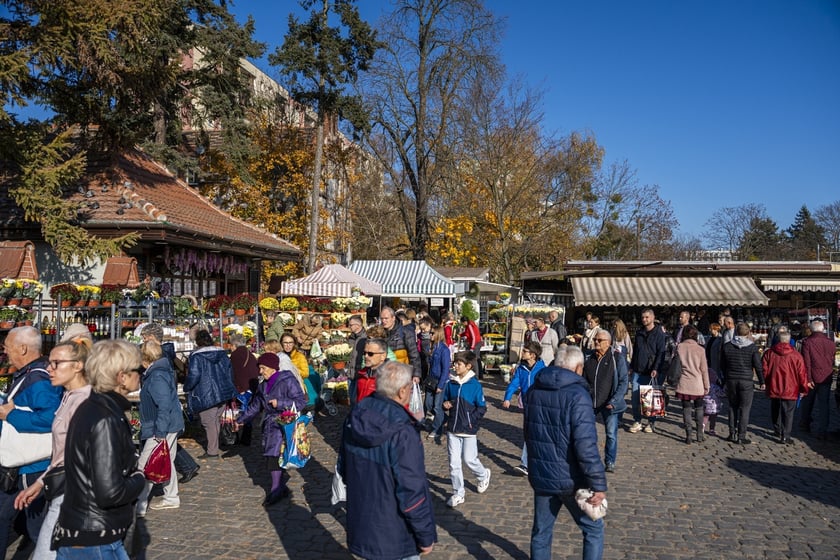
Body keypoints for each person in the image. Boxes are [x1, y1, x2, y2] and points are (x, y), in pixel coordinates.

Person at [51, 340, 146, 558]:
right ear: (121, 377)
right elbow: (110, 492)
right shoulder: (104, 417)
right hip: (94, 537)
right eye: (136, 370)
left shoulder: (94, 407)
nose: (140, 374)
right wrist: (140, 477)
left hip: (88, 531)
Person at [338, 361, 436, 559]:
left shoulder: (356, 415)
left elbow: (344, 468)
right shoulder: (403, 431)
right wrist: (425, 535)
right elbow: (411, 490)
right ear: (402, 392)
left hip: (363, 522)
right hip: (396, 534)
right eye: (409, 387)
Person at [523, 344, 606, 560]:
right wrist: (598, 483)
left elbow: (528, 433)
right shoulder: (578, 395)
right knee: (593, 530)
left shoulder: (534, 390)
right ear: (578, 368)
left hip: (542, 473)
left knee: (541, 532)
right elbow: (586, 444)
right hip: (571, 478)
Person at [13, 337, 92, 560]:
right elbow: (63, 454)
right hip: (63, 491)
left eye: (57, 363)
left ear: (78, 366)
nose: (49, 368)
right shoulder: (68, 396)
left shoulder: (87, 403)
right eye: (50, 362)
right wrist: (40, 483)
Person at [0, 326, 63, 555]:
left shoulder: (37, 378)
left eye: (7, 346)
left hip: (32, 466)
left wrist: (10, 414)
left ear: (23, 348)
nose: (5, 351)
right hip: (22, 464)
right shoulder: (29, 374)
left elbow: (51, 418)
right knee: (20, 522)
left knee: (38, 528)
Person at [236, 353, 307, 506]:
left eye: (263, 368)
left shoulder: (287, 381)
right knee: (272, 456)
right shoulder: (263, 386)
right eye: (260, 368)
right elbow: (256, 406)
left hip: (286, 424)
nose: (260, 372)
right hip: (270, 426)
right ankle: (280, 487)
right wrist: (241, 420)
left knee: (275, 457)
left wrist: (280, 403)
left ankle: (275, 490)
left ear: (273, 368)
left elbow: (301, 402)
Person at [139, 323, 199, 484]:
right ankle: (173, 489)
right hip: (166, 413)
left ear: (152, 337)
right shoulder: (164, 355)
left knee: (153, 454)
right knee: (167, 450)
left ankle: (142, 495)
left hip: (163, 415)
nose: (143, 340)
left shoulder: (160, 357)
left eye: (145, 337)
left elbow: (163, 402)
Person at [135, 340, 184, 515]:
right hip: (167, 424)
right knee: (165, 461)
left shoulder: (157, 375)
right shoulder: (161, 371)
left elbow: (163, 405)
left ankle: (139, 506)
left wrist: (160, 432)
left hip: (161, 426)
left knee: (145, 464)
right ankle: (171, 497)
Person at [442, 351, 491, 508]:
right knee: (454, 463)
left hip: (469, 430)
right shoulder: (451, 384)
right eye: (455, 363)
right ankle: (458, 493)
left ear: (468, 366)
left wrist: (471, 422)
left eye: (459, 364)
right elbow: (445, 401)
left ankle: (483, 475)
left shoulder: (475, 385)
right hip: (453, 430)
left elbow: (482, 408)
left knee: (470, 460)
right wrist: (446, 405)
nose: (455, 366)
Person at [183, 330, 236, 458]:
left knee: (208, 422)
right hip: (222, 391)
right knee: (215, 420)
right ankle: (214, 446)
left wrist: (187, 387)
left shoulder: (197, 357)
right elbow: (230, 372)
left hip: (206, 393)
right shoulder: (222, 354)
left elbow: (194, 375)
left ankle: (212, 450)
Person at [582, 332, 628, 471]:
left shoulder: (617, 358)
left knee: (611, 434)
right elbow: (582, 378)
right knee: (585, 432)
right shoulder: (588, 356)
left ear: (608, 342)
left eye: (599, 340)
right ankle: (586, 459)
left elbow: (623, 381)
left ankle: (610, 461)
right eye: (595, 339)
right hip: (590, 401)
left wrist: (614, 400)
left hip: (609, 402)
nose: (596, 342)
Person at [503, 340, 546, 475]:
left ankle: (534, 461)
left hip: (540, 406)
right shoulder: (521, 369)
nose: (522, 353)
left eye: (525, 351)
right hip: (527, 406)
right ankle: (526, 464)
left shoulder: (542, 369)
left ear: (533, 355)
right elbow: (514, 384)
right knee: (529, 433)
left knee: (538, 434)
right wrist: (507, 398)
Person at [721, 323, 765, 444]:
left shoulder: (727, 346)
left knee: (732, 406)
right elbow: (758, 366)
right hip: (746, 380)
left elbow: (722, 365)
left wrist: (725, 379)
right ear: (748, 333)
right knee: (745, 409)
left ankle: (732, 433)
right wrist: (762, 381)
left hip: (731, 379)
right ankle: (741, 436)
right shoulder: (752, 347)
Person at [763, 331, 808, 444]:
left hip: (774, 385)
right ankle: (785, 435)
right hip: (790, 387)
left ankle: (777, 429)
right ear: (789, 340)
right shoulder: (796, 355)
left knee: (775, 408)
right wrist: (804, 389)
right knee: (788, 412)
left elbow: (764, 370)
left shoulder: (769, 353)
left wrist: (766, 382)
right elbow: (802, 374)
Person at [628, 309, 666, 434]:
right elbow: (636, 351)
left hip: (651, 370)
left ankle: (651, 422)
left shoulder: (659, 333)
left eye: (647, 317)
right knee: (634, 398)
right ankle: (637, 420)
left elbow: (661, 353)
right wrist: (632, 366)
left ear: (653, 317)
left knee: (650, 398)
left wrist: (656, 368)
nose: (644, 319)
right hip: (638, 370)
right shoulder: (639, 333)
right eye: (643, 317)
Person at [799, 319, 836, 438]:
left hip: (813, 377)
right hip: (826, 376)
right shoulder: (831, 342)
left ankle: (805, 424)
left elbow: (807, 362)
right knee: (824, 404)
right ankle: (822, 430)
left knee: (808, 402)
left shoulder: (808, 342)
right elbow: (832, 359)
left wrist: (808, 379)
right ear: (823, 329)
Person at [673, 325, 710, 445]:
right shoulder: (700, 350)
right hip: (697, 383)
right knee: (699, 409)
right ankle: (700, 433)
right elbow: (704, 369)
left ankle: (689, 434)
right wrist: (707, 385)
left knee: (686, 409)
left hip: (684, 382)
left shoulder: (680, 347)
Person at [229, 332, 259, 446]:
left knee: (236, 412)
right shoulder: (249, 354)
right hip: (251, 388)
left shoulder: (235, 355)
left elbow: (233, 373)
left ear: (234, 345)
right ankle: (246, 437)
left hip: (240, 388)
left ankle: (235, 437)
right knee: (248, 412)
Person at [423, 326, 451, 443]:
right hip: (431, 380)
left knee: (437, 406)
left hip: (440, 381)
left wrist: (440, 385)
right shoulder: (432, 347)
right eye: (430, 333)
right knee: (428, 404)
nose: (430, 335)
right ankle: (443, 419)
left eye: (432, 333)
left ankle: (437, 429)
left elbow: (446, 369)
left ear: (438, 334)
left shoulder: (444, 350)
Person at [381, 307, 422, 381]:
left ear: (393, 318)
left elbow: (414, 354)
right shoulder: (380, 333)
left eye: (386, 318)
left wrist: (416, 374)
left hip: (402, 374)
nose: (384, 321)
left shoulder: (405, 332)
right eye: (382, 318)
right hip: (385, 374)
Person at [354, 338, 389, 403]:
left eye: (370, 354)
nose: (366, 356)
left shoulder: (390, 378)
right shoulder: (362, 374)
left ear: (383, 356)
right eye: (364, 353)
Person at [345, 315, 367, 403]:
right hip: (350, 373)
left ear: (358, 325)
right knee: (351, 398)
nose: (349, 327)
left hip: (359, 373)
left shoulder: (365, 338)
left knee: (356, 400)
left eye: (351, 325)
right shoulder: (351, 337)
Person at [459, 315, 483, 379]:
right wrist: (461, 335)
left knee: (474, 359)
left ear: (465, 321)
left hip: (476, 343)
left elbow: (473, 337)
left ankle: (476, 376)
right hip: (477, 343)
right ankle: (480, 374)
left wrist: (472, 347)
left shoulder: (470, 326)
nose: (463, 324)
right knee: (477, 358)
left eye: (462, 323)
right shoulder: (468, 325)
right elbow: (466, 333)